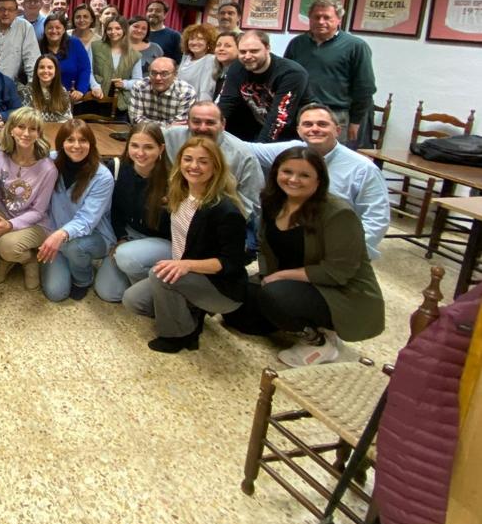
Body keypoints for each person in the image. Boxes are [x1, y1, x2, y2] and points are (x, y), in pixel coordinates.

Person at [252, 147, 385, 366]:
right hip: (293, 280)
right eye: (287, 172)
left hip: (339, 289)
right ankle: (291, 317)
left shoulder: (338, 213)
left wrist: (281, 276)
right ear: (276, 173)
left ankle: (320, 340)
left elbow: (338, 271)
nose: (293, 180)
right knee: (241, 314)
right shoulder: (273, 202)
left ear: (319, 180)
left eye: (304, 175)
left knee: (274, 295)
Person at [122, 137, 248, 353]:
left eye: (203, 161)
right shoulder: (180, 194)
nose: (194, 166)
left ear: (216, 167)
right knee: (133, 300)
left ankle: (177, 336)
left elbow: (232, 263)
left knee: (160, 274)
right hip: (189, 275)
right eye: (188, 159)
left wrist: (187, 265)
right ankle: (191, 312)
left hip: (222, 288)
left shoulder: (225, 210)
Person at [238, 102, 390, 259]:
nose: (315, 129)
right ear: (299, 130)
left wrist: (347, 253)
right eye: (308, 124)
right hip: (293, 240)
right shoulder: (292, 150)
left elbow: (376, 218)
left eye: (322, 124)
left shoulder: (363, 169)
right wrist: (214, 127)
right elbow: (245, 148)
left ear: (337, 130)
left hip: (337, 247)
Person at [38, 119, 116, 302]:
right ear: (61, 143)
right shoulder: (50, 160)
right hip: (56, 235)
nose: (76, 146)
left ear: (91, 144)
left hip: (92, 237)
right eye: (70, 140)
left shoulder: (102, 176)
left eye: (83, 140)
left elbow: (87, 221)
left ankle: (83, 279)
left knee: (75, 248)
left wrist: (60, 235)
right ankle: (67, 262)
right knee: (56, 293)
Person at [0, 108, 56, 289]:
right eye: (21, 127)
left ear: (39, 133)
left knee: (7, 245)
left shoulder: (48, 169)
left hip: (35, 223)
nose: (26, 133)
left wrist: (10, 226)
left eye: (33, 129)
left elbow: (38, 211)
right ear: (11, 129)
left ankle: (27, 260)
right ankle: (12, 257)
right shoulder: (0, 153)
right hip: (4, 211)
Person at [284, 0, 376, 144]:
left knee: (331, 162)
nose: (321, 21)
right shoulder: (297, 43)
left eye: (327, 17)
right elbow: (286, 78)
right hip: (301, 113)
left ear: (338, 19)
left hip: (335, 116)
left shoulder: (356, 46)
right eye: (316, 17)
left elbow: (365, 87)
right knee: (301, 159)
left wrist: (356, 122)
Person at [100, 123, 172, 302]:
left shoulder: (174, 180)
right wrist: (121, 237)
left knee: (126, 257)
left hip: (163, 242)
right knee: (109, 293)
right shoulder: (118, 170)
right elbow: (115, 209)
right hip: (130, 235)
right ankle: (141, 275)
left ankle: (162, 290)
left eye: (148, 147)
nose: (140, 153)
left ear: (161, 148)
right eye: (135, 146)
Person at [163, 101, 264, 222]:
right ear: (188, 123)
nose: (202, 128)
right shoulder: (171, 137)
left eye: (210, 122)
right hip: (177, 213)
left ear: (223, 124)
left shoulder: (243, 156)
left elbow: (251, 205)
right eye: (196, 122)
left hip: (220, 222)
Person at [218, 29, 311, 142]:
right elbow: (227, 103)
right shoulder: (237, 67)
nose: (247, 56)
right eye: (242, 52)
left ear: (267, 48)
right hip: (257, 128)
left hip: (292, 135)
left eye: (254, 51)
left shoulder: (291, 73)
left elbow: (279, 119)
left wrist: (259, 149)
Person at [91, 17, 143, 119]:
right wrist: (95, 86)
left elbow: (138, 80)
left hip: (121, 102)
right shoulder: (95, 46)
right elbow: (89, 71)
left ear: (124, 30)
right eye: (109, 29)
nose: (113, 32)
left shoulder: (135, 55)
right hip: (97, 98)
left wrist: (125, 83)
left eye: (117, 28)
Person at [40, 14, 92, 109]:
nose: (54, 31)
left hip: (73, 98)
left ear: (64, 29)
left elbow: (85, 69)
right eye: (50, 28)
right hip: (45, 99)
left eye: (58, 28)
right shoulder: (38, 45)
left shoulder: (75, 43)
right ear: (45, 30)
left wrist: (81, 90)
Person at [127, 57, 197, 125]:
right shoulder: (139, 87)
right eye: (154, 73)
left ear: (175, 74)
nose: (158, 78)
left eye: (164, 74)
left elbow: (180, 124)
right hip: (144, 134)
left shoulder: (186, 92)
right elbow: (135, 120)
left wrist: (148, 124)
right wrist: (168, 125)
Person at [0, 0, 39, 83]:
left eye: (10, 10)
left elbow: (31, 59)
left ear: (16, 12)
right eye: (2, 9)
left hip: (11, 85)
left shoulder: (25, 27)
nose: (6, 13)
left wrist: (33, 86)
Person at [18, 54, 73, 123]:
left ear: (56, 71)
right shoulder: (26, 91)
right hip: (35, 131)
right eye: (42, 67)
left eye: (50, 67)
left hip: (57, 130)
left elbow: (67, 119)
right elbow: (25, 119)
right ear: (36, 70)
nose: (45, 71)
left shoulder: (62, 91)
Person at [178, 23, 219, 101]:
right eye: (192, 39)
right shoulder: (186, 57)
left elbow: (206, 90)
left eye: (200, 39)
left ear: (209, 42)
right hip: (181, 102)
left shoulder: (210, 60)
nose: (194, 42)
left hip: (198, 105)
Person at [212, 30, 239, 101]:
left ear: (239, 49)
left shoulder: (240, 76)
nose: (221, 49)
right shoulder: (219, 73)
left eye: (227, 46)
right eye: (218, 45)